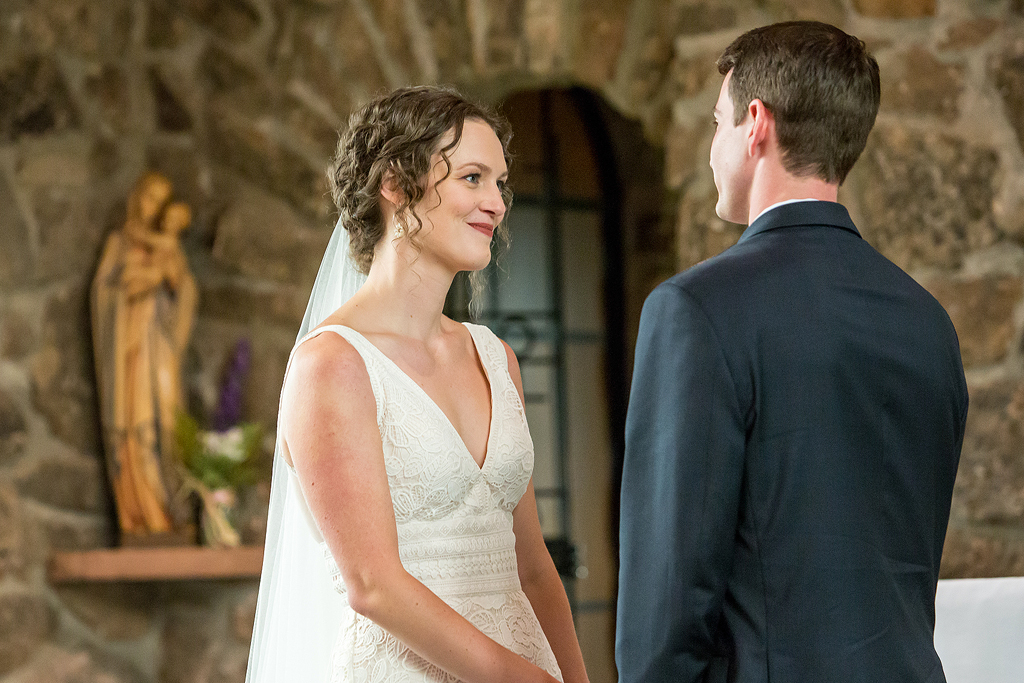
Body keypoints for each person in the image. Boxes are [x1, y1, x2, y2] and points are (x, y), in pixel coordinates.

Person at [616, 21, 968, 683]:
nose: (711, 149)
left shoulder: (694, 310)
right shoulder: (927, 321)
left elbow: (665, 604)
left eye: (716, 122)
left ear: (756, 124)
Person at [246, 86, 589, 683]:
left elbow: (532, 566)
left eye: (500, 184)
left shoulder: (496, 358)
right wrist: (522, 679)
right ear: (396, 185)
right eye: (473, 178)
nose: (497, 204)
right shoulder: (332, 365)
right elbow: (372, 585)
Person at [91, 172, 197, 541]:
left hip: (157, 354)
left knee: (163, 428)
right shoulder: (119, 243)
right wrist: (127, 287)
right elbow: (101, 293)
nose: (151, 207)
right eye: (148, 197)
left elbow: (185, 292)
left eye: (159, 201)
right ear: (136, 197)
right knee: (132, 432)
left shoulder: (169, 248)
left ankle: (169, 511)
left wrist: (166, 280)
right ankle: (137, 517)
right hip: (126, 355)